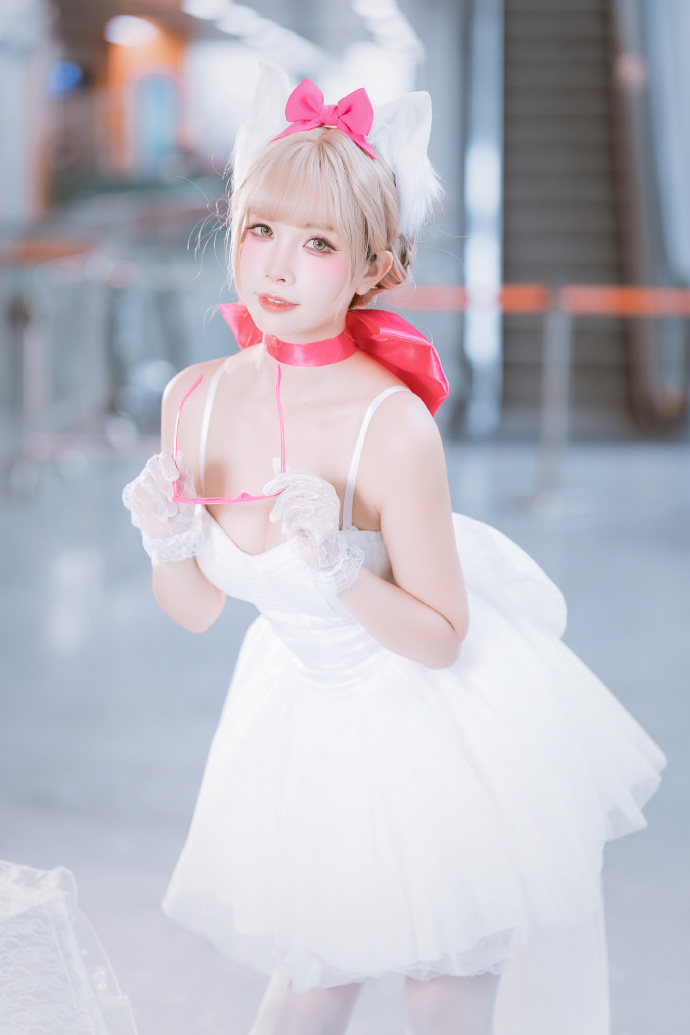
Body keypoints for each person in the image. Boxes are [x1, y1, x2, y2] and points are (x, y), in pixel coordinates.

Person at [122, 65, 667, 1035]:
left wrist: (339, 565)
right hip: (304, 711)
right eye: (260, 230)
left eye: (318, 243)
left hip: (436, 719)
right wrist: (166, 538)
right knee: (307, 990)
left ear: (373, 269)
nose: (276, 268)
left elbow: (442, 637)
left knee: (443, 999)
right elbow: (198, 609)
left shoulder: (391, 422)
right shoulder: (192, 397)